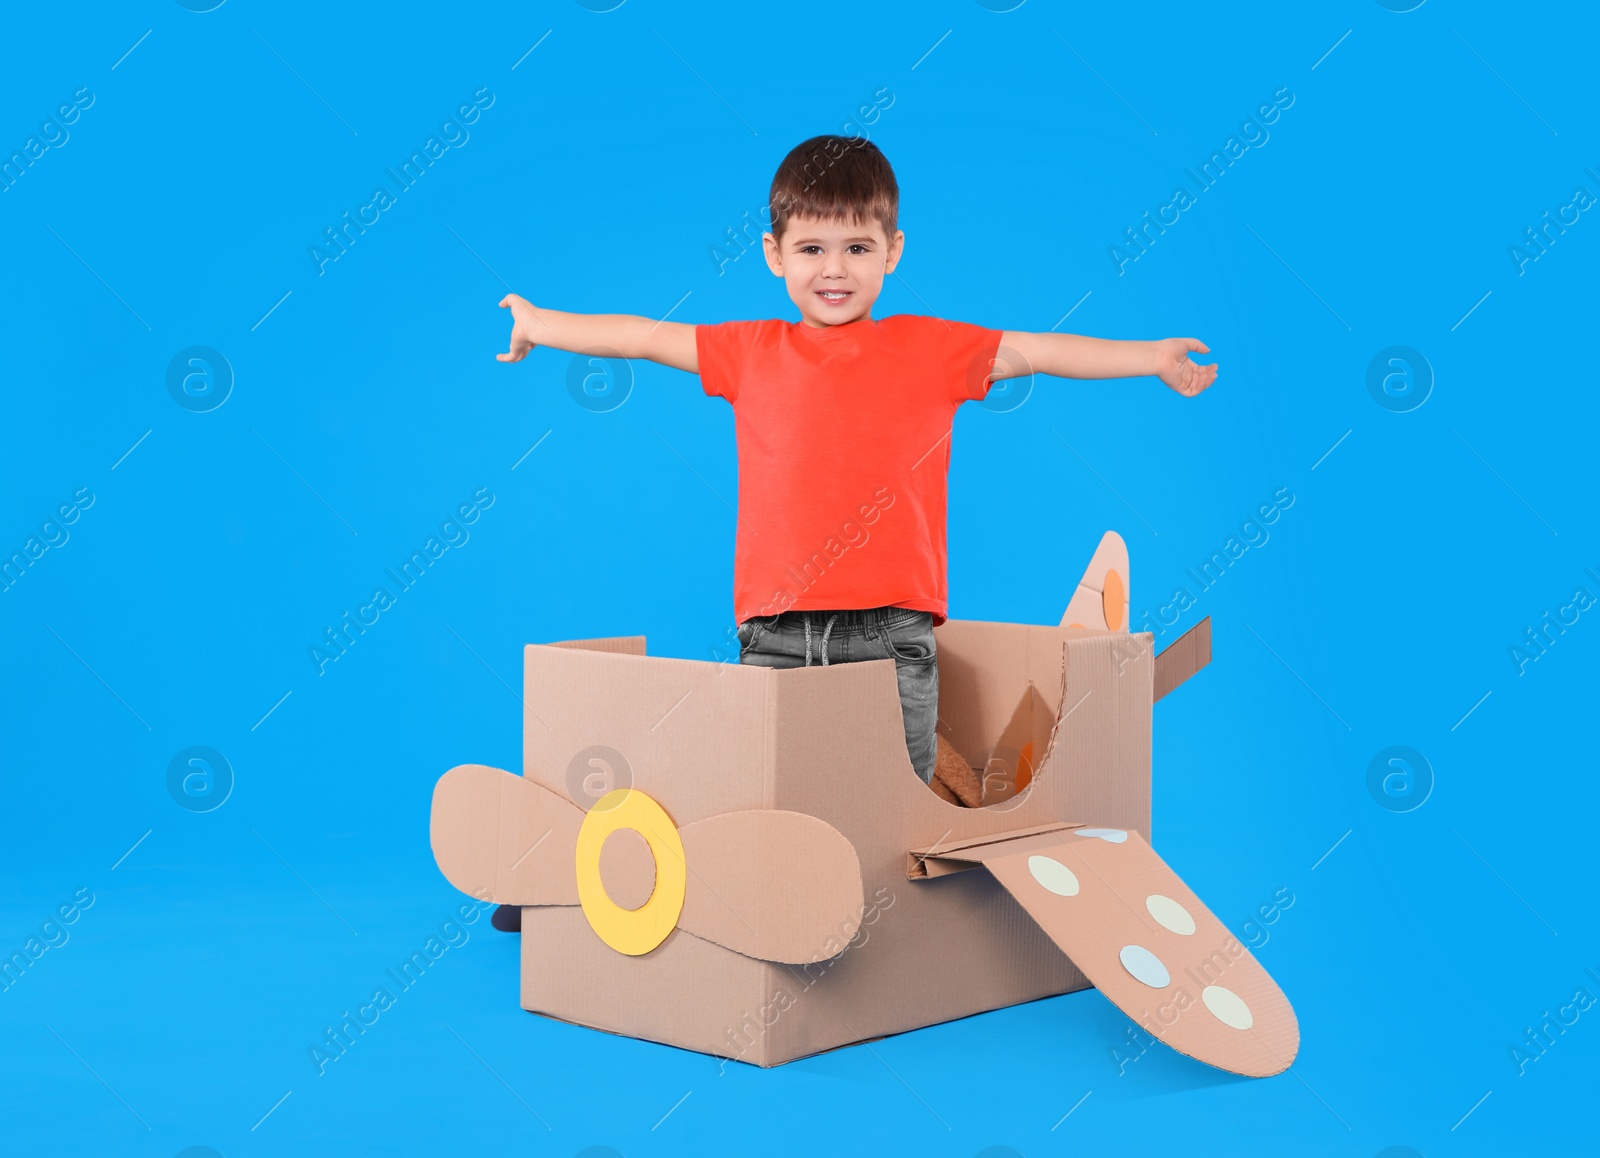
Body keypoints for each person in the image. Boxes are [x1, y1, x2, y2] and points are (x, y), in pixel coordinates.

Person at [494, 134, 1214, 791]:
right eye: (811, 250)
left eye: (857, 249)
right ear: (774, 255)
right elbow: (641, 338)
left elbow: (1048, 351)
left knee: (894, 809)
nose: (834, 270)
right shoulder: (751, 352)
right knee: (770, 799)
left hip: (892, 638)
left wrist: (1151, 358)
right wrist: (539, 324)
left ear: (892, 250)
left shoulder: (932, 348)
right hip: (774, 633)